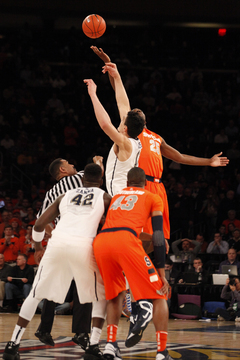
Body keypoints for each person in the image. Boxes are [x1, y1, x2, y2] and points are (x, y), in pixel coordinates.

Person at [91, 45, 229, 344]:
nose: (136, 111)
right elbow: (121, 101)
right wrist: (114, 75)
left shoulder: (153, 136)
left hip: (159, 189)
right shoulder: (130, 136)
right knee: (132, 240)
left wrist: (208, 161)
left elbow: (177, 156)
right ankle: (135, 296)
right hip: (136, 189)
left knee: (160, 244)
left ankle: (140, 298)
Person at [3, 163, 112, 360]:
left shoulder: (65, 195)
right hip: (84, 246)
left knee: (35, 295)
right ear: (100, 181)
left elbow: (38, 224)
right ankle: (93, 345)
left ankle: (12, 345)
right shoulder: (104, 197)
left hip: (57, 244)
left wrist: (38, 248)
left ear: (83, 178)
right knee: (99, 297)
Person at [93, 167, 174, 360]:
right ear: (145, 183)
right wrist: (161, 272)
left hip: (102, 242)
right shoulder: (153, 197)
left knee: (115, 294)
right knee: (159, 294)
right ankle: (161, 351)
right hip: (126, 241)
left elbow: (120, 226)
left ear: (128, 183)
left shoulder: (117, 196)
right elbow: (157, 235)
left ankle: (110, 346)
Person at [35, 156, 104, 349]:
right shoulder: (78, 179)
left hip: (59, 241)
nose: (73, 164)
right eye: (68, 163)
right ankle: (81, 332)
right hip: (81, 240)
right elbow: (96, 175)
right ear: (63, 171)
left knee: (53, 285)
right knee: (86, 286)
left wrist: (54, 233)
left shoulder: (51, 193)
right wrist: (99, 161)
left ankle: (44, 328)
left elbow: (40, 220)